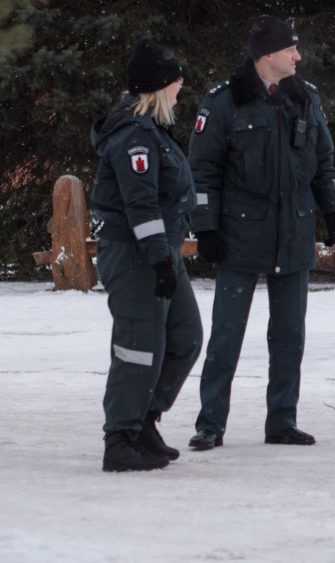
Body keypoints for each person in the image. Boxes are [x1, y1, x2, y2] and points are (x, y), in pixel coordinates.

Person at [187, 16, 335, 450]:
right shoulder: (224, 102)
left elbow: (323, 161)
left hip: (293, 233)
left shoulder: (305, 98)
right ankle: (210, 424)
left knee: (290, 336)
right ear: (267, 55)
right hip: (239, 235)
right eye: (291, 49)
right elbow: (202, 172)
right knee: (226, 336)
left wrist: (333, 208)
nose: (298, 56)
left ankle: (282, 421)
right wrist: (206, 227)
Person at [90, 39, 203, 472]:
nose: (181, 86)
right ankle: (120, 438)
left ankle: (144, 421)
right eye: (175, 80)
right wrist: (158, 260)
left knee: (185, 337)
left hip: (160, 251)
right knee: (138, 348)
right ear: (157, 87)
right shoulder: (134, 136)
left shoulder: (154, 130)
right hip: (135, 255)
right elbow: (141, 204)